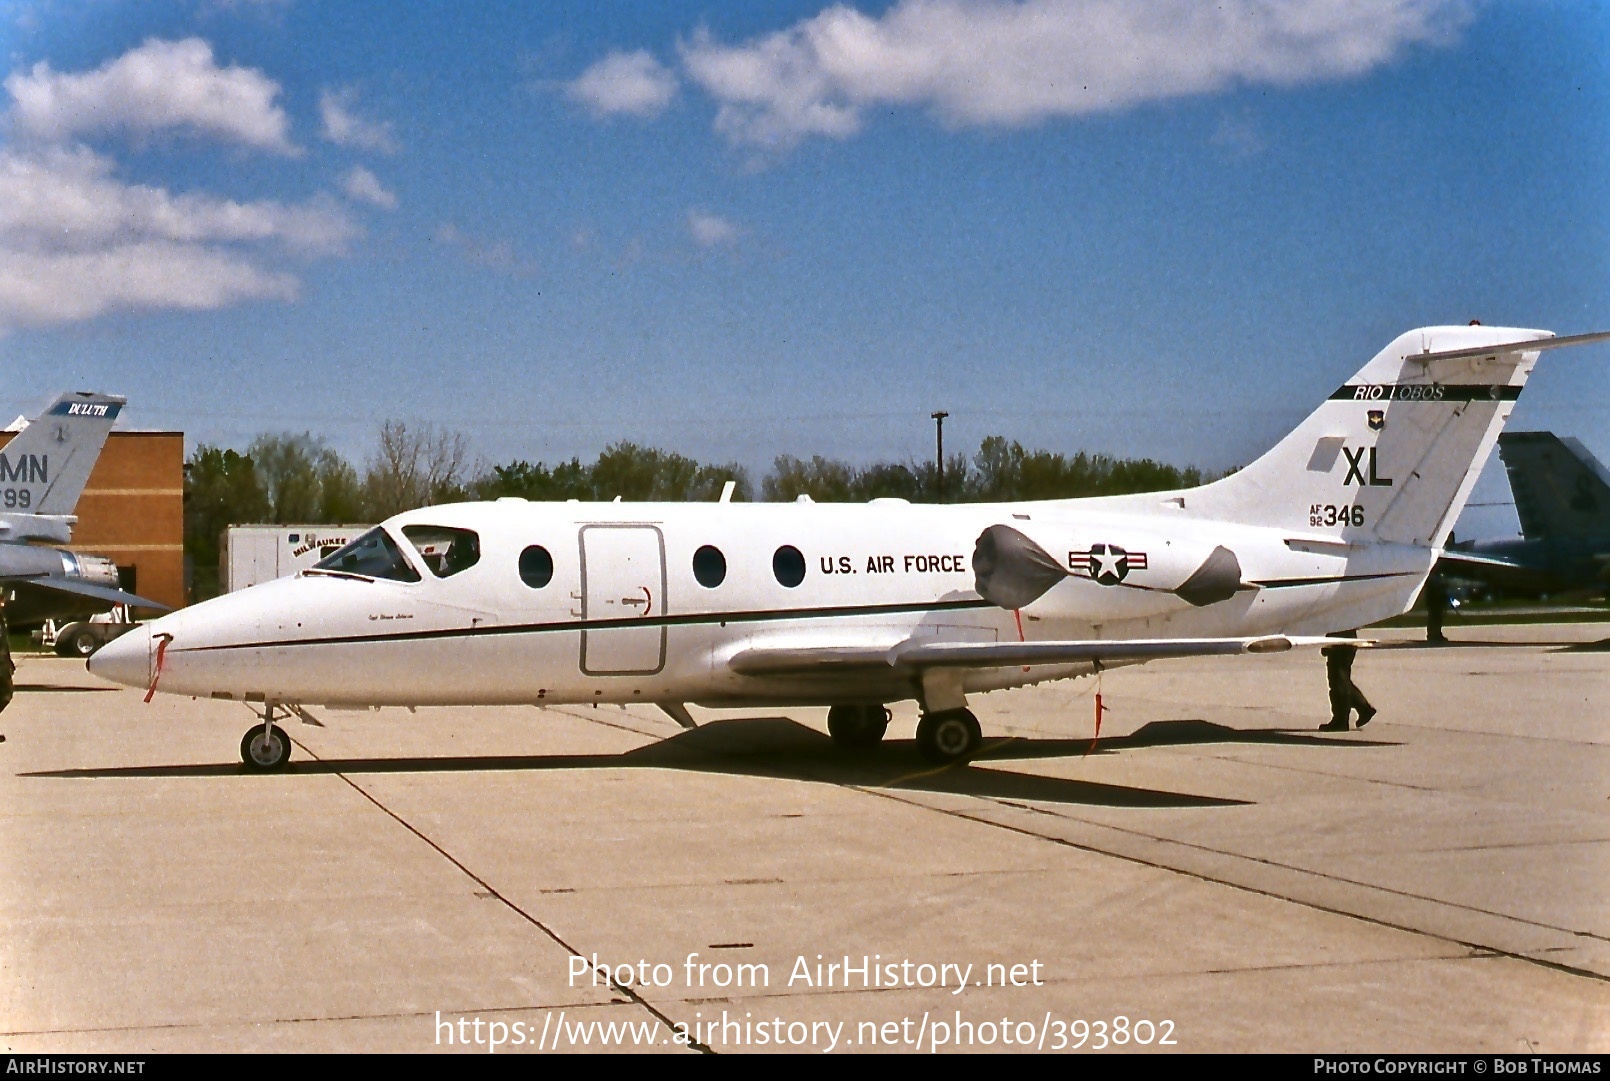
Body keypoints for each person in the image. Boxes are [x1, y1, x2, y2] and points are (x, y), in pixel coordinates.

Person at [1320, 631, 1375, 731]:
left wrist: (1328, 644)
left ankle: (1340, 720)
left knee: (1338, 682)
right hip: (1345, 641)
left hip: (1340, 643)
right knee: (1342, 680)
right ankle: (1363, 709)